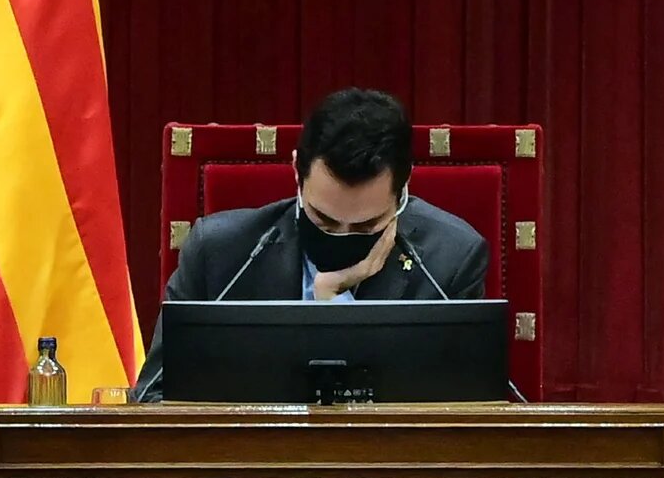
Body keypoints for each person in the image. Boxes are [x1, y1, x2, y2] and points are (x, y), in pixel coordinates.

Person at [133, 88, 489, 401]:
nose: (340, 235)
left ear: (403, 191)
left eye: (367, 225)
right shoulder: (220, 253)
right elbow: (152, 395)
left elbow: (464, 414)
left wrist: (338, 303)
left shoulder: (451, 262)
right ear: (296, 174)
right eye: (324, 220)